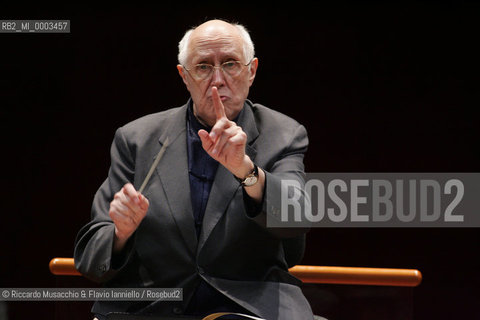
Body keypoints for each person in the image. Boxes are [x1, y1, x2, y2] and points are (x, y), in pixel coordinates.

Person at [74, 19, 314, 320]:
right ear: (184, 76)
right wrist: (121, 234)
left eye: (230, 64)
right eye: (203, 67)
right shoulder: (137, 139)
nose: (217, 79)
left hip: (246, 306)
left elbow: (296, 218)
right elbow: (91, 256)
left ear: (251, 71)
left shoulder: (283, 133)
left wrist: (246, 171)